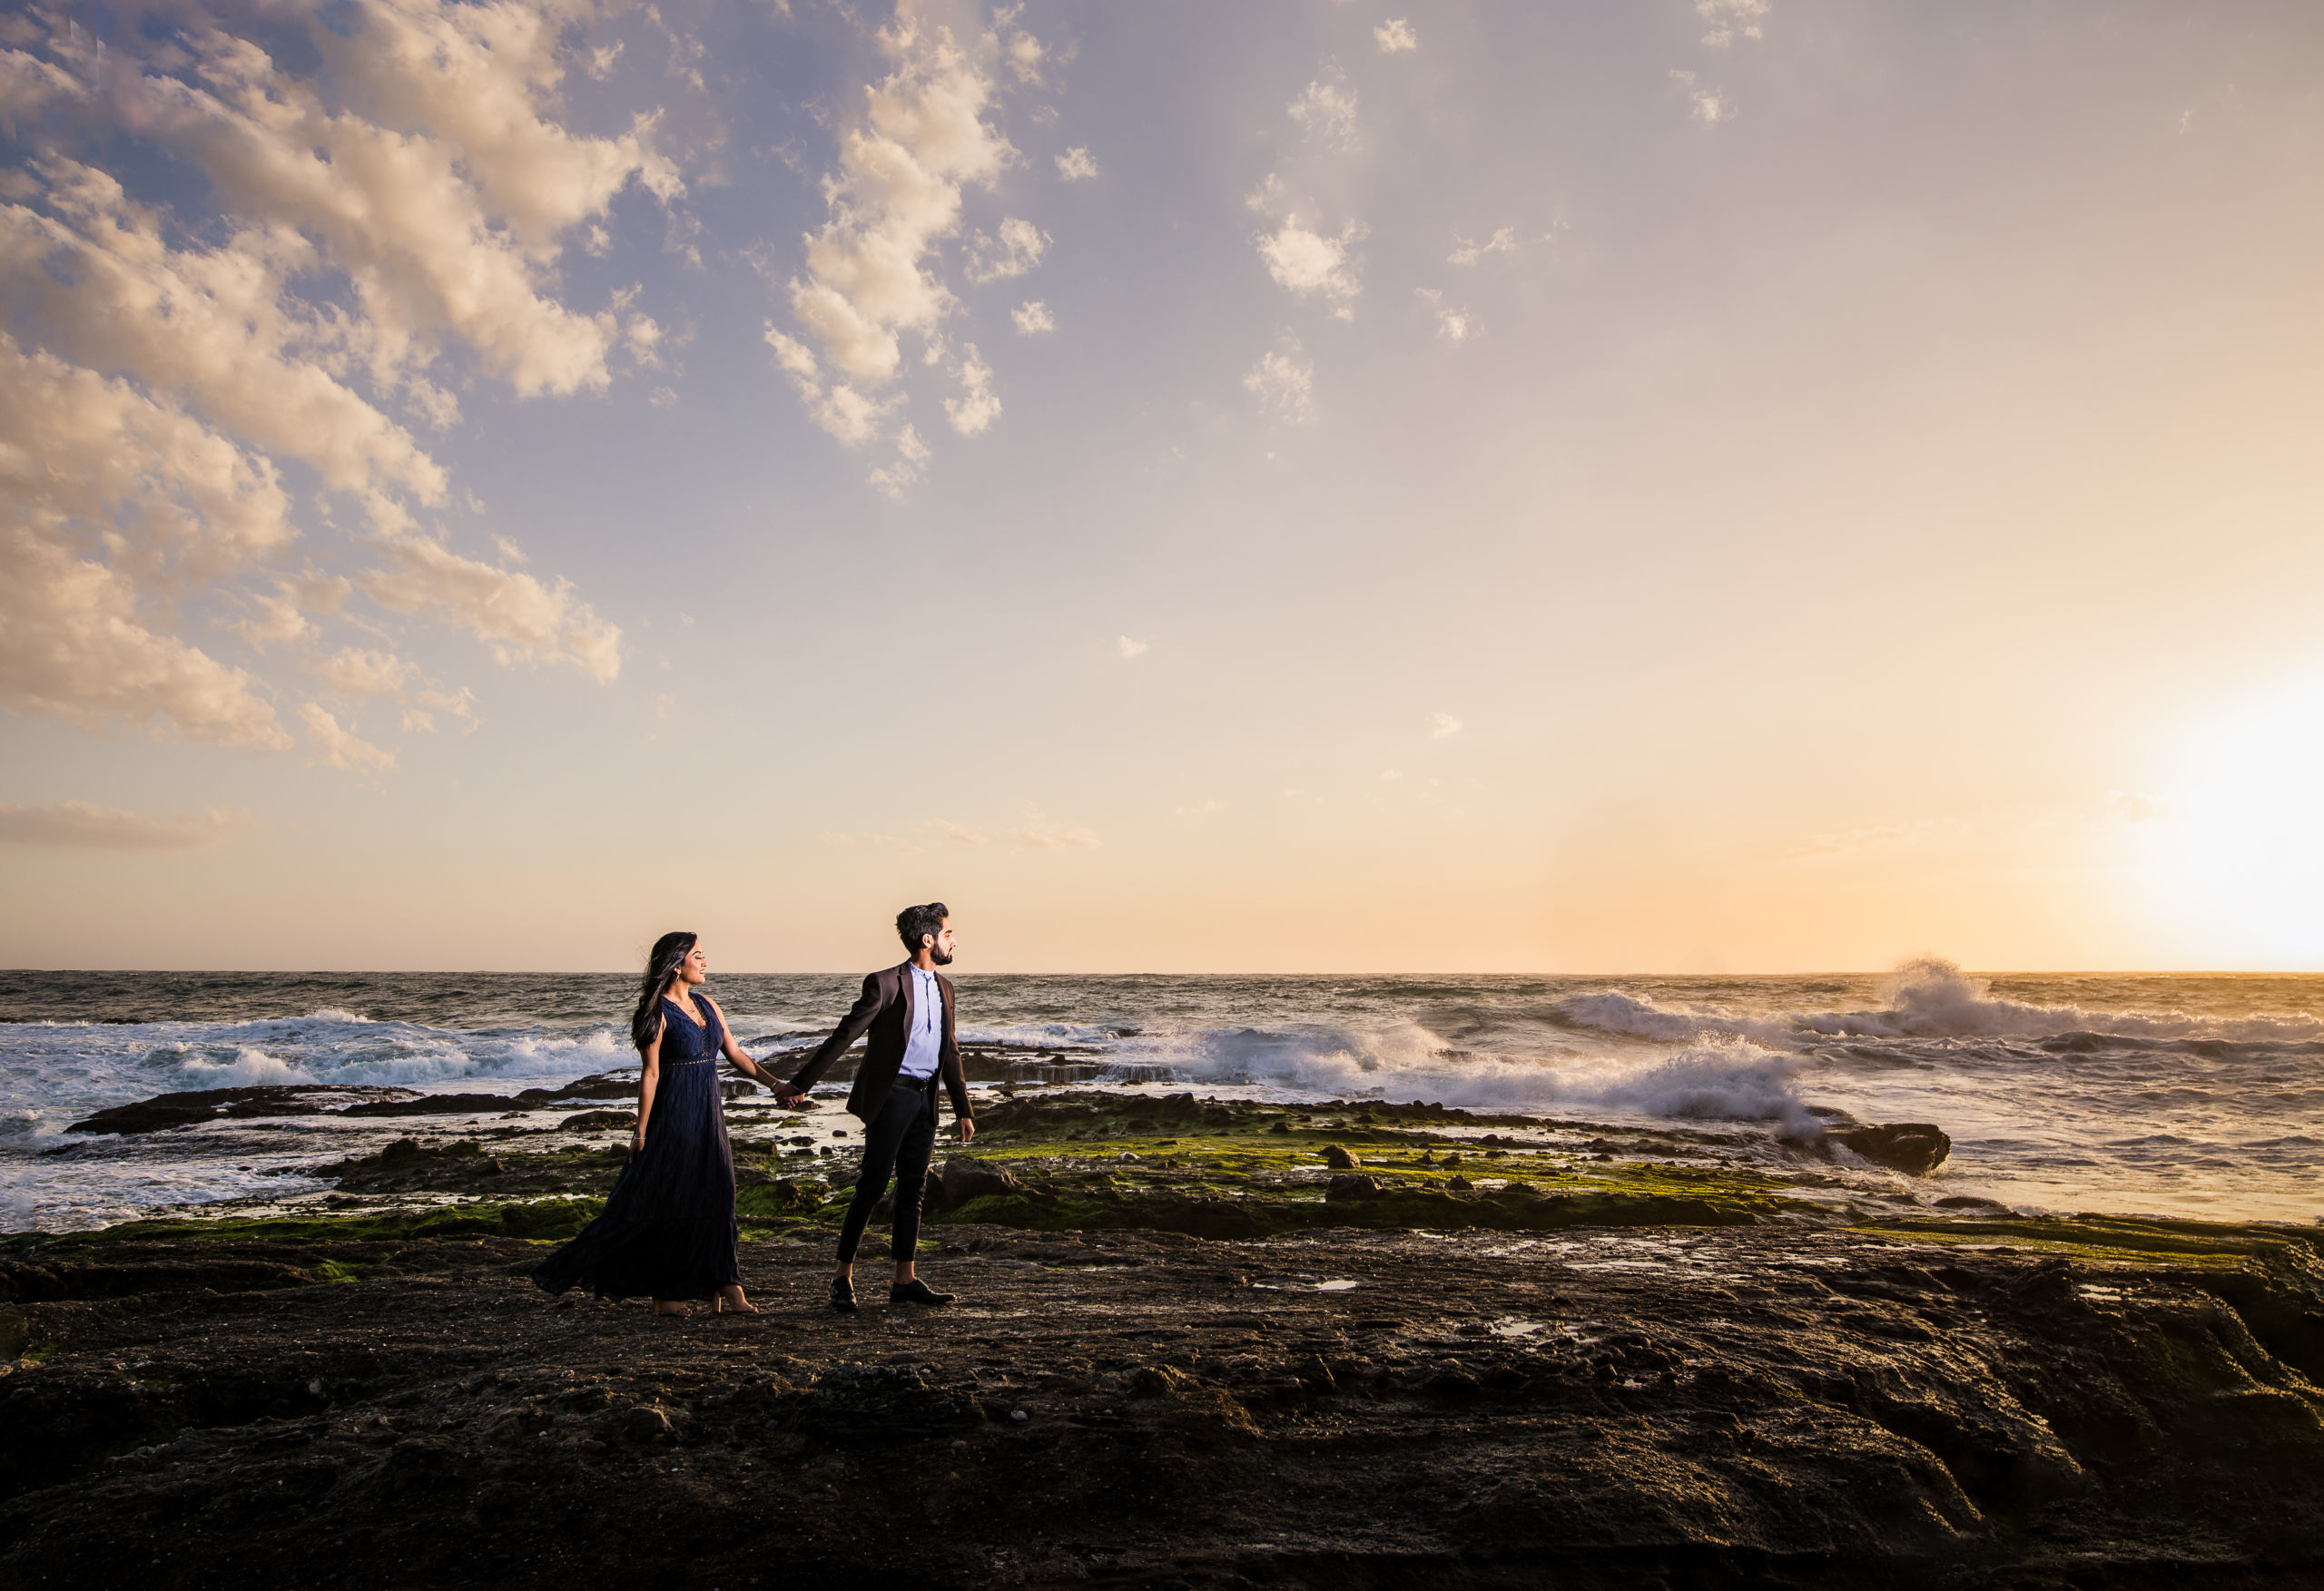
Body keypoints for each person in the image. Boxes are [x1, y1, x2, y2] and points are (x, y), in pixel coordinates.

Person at [534, 931, 792, 1316]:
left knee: (720, 1193)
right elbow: (651, 1074)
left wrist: (777, 1084)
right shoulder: (656, 1013)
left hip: (708, 1113)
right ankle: (666, 1296)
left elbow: (735, 1054)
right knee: (672, 1201)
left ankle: (729, 1284)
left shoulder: (708, 1006)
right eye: (698, 956)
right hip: (674, 1114)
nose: (705, 963)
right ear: (676, 964)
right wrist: (640, 1131)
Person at [775, 902, 974, 1312]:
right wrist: (800, 1083)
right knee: (873, 1185)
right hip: (893, 1097)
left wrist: (963, 1108)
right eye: (948, 933)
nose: (954, 939)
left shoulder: (946, 988)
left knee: (913, 1190)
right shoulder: (885, 983)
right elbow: (844, 1036)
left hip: (925, 1098)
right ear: (927, 940)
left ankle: (905, 1280)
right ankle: (841, 1277)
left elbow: (949, 1052)